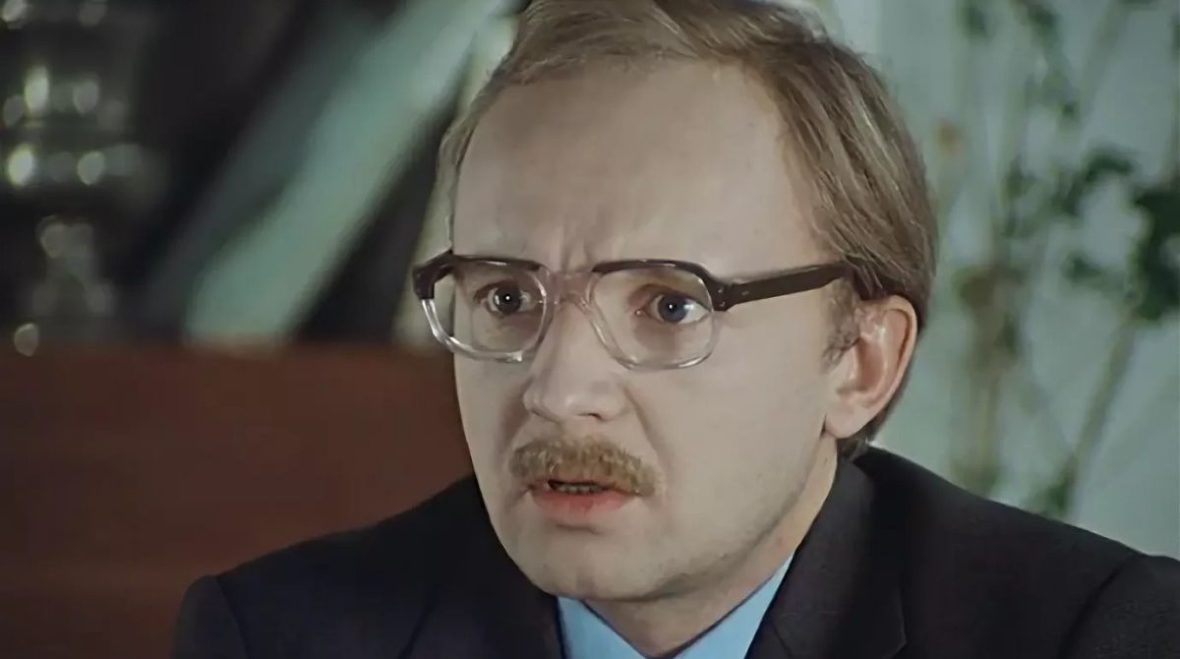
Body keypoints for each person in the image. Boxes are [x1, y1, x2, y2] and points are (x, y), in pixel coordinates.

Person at [172, 1, 1180, 657]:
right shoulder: (279, 636)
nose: (558, 389)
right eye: (507, 297)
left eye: (669, 303)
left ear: (860, 361)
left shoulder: (1092, 635)